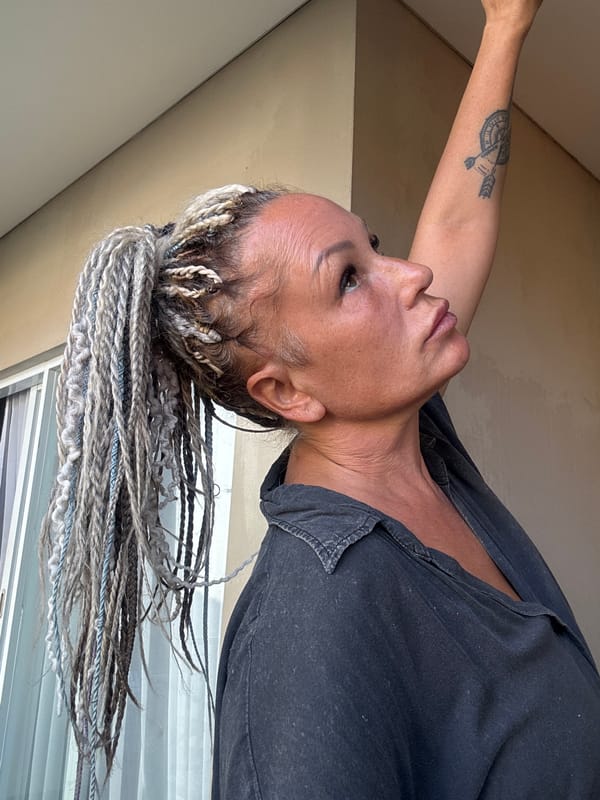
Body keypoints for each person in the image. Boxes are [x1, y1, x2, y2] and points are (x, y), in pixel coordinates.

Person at [40, 0, 600, 797]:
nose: (408, 275)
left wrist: (505, 25)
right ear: (288, 391)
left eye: (372, 248)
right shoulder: (309, 633)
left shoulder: (410, 437)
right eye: (348, 280)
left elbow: (453, 221)